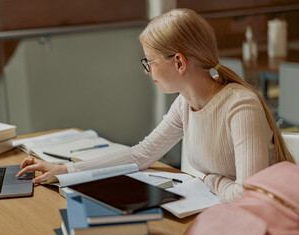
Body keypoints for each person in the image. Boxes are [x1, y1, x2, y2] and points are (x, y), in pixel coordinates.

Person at [16, 8, 295, 202]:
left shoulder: (240, 106)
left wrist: (211, 180)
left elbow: (250, 196)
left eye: (149, 62)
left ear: (179, 62)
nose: (147, 71)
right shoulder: (185, 104)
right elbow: (142, 154)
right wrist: (65, 169)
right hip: (221, 214)